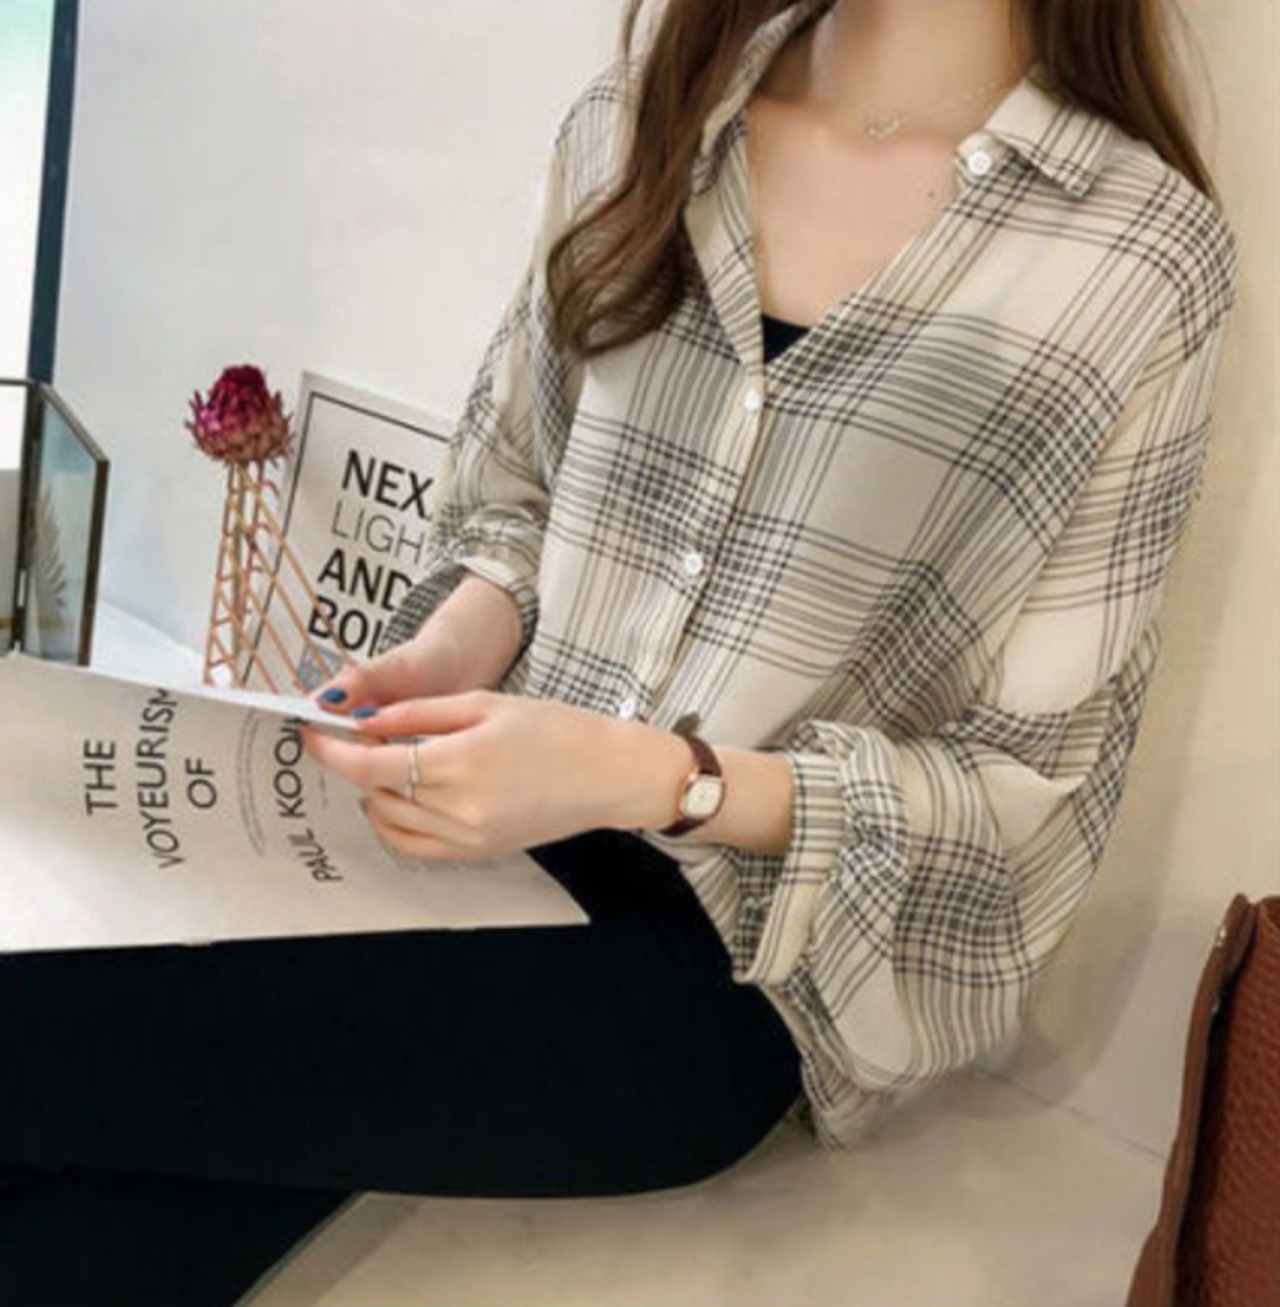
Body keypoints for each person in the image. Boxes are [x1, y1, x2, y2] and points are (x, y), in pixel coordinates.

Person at [0, 0, 1238, 1302]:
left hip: (725, 964)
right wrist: (449, 648)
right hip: (456, 829)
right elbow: (515, 494)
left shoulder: (1135, 261)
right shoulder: (649, 110)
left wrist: (650, 777)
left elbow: (1022, 802)